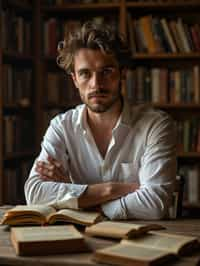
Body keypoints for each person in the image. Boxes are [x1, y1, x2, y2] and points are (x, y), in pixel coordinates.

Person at [24, 21, 177, 220]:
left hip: (143, 241)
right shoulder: (62, 127)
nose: (96, 84)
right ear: (75, 80)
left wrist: (77, 198)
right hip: (78, 241)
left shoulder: (156, 126)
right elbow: (35, 193)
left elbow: (154, 204)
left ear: (123, 74)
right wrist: (111, 190)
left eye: (106, 72)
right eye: (85, 74)